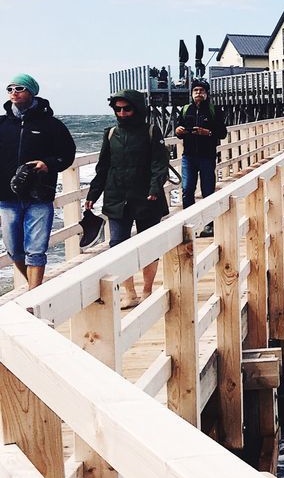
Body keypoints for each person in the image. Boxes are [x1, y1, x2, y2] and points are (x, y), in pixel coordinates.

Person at [85, 90, 171, 307]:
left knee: (148, 245)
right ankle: (130, 293)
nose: (122, 113)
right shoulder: (110, 133)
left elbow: (159, 164)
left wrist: (154, 187)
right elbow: (103, 167)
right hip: (117, 197)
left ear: (137, 108)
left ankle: (148, 290)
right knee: (117, 245)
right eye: (118, 109)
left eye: (127, 108)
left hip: (147, 198)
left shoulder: (152, 131)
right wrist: (93, 194)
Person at [0, 74, 76, 289]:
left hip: (39, 196)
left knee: (35, 249)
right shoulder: (2, 124)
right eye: (10, 88)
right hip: (7, 197)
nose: (14, 92)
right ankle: (38, 289)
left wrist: (47, 164)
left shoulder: (52, 125)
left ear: (32, 91)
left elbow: (67, 155)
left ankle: (34, 296)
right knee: (14, 250)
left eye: (20, 88)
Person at [174, 79, 226, 208]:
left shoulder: (215, 110)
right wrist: (178, 131)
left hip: (207, 157)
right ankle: (189, 220)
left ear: (207, 93)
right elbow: (179, 130)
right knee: (187, 189)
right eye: (195, 90)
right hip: (188, 156)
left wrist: (207, 132)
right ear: (191, 93)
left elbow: (222, 133)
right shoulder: (185, 110)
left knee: (208, 191)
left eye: (201, 90)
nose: (198, 93)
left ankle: (209, 225)